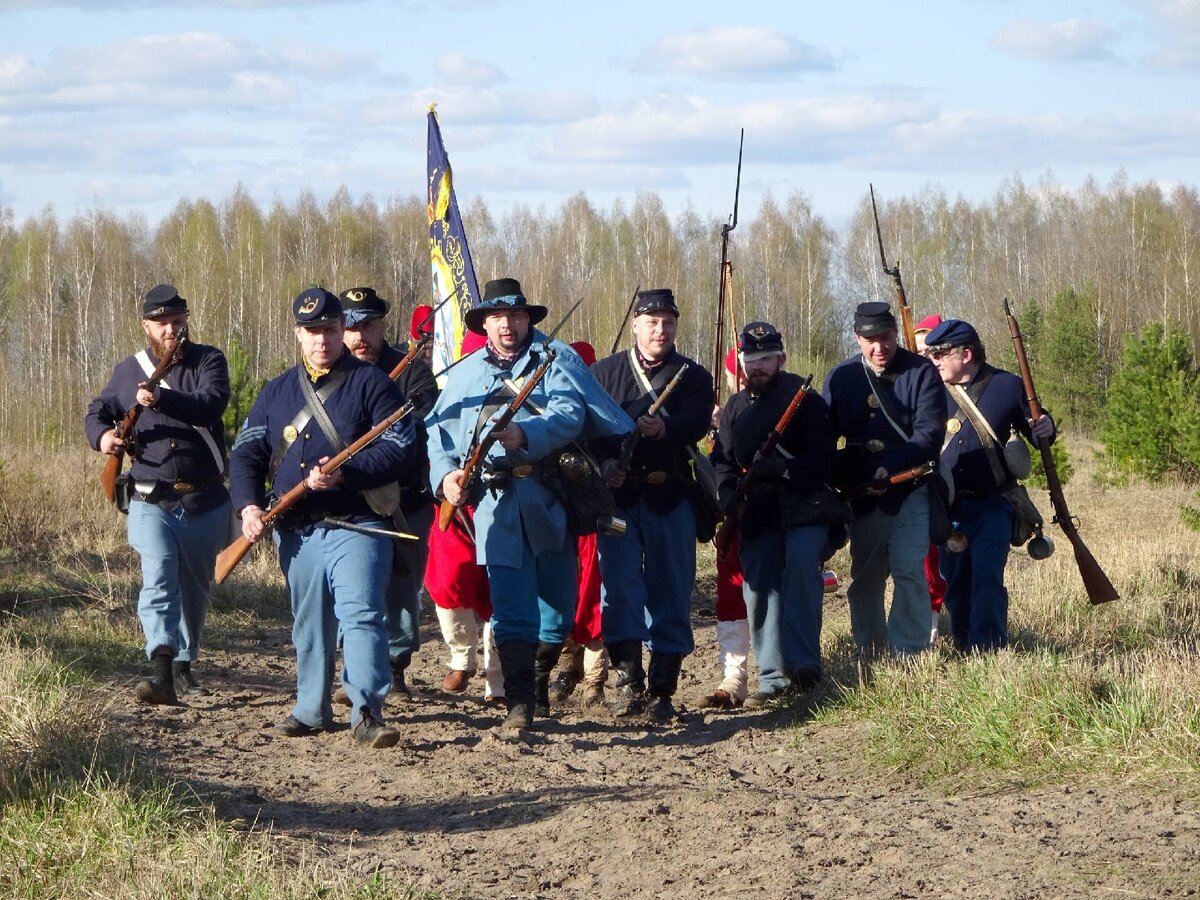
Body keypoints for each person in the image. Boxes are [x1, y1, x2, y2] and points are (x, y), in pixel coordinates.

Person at [425, 278, 631, 732]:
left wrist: (527, 436)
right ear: (485, 324)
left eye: (516, 316)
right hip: (496, 507)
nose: (507, 325)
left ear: (526, 321)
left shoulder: (553, 363)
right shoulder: (464, 374)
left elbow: (570, 414)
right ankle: (520, 701)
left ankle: (537, 684)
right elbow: (437, 436)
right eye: (497, 317)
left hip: (551, 499)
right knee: (512, 607)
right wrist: (446, 478)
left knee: (557, 610)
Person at [228, 288, 417, 749]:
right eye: (312, 332)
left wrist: (345, 473)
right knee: (309, 621)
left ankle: (367, 710)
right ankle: (311, 710)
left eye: (330, 330)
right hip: (298, 529)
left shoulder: (373, 384)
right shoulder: (276, 391)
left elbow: (400, 450)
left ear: (341, 331)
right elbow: (247, 452)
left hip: (358, 522)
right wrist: (249, 506)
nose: (322, 341)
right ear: (298, 334)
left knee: (362, 615)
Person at [85, 283, 232, 705]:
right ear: (146, 325)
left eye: (177, 320)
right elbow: (97, 412)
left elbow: (210, 404)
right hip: (150, 498)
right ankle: (161, 669)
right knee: (159, 575)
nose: (171, 329)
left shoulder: (209, 360)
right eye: (162, 322)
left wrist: (162, 400)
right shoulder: (127, 370)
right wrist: (103, 440)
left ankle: (184, 666)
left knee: (194, 590)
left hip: (204, 498)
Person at [591, 288, 713, 722]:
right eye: (653, 322)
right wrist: (606, 464)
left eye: (668, 322)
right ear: (636, 325)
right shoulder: (604, 373)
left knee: (672, 591)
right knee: (620, 591)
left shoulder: (693, 376)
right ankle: (628, 684)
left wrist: (665, 429)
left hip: (670, 497)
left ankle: (662, 689)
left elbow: (698, 421)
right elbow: (587, 430)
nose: (661, 330)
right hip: (620, 501)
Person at [711, 323, 839, 706]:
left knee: (801, 569)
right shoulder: (734, 408)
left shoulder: (806, 400)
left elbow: (825, 461)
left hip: (804, 506)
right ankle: (772, 677)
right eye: (751, 360)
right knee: (760, 588)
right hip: (758, 511)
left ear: (781, 359)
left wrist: (784, 470)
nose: (758, 367)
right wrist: (727, 492)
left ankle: (805, 666)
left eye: (766, 358)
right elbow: (722, 462)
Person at [824, 301, 947, 661]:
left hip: (910, 485)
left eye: (887, 338)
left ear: (896, 334)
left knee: (910, 570)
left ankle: (909, 651)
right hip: (862, 494)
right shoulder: (842, 376)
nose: (880, 348)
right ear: (857, 339)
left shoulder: (921, 371)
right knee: (866, 577)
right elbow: (825, 435)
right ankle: (871, 650)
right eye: (870, 340)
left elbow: (928, 434)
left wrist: (892, 466)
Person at [923, 318, 1055, 652]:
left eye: (940, 353)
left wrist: (1046, 428)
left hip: (993, 504)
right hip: (947, 507)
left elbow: (1037, 433)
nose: (933, 358)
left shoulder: (1008, 386)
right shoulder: (931, 390)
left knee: (987, 578)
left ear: (966, 354)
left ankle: (989, 649)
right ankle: (965, 643)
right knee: (955, 583)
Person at [338, 286, 438, 698]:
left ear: (382, 326)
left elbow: (423, 421)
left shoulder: (412, 370)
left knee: (401, 586)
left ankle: (395, 667)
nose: (360, 335)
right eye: (352, 326)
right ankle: (357, 671)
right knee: (353, 589)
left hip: (407, 497)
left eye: (369, 325)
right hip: (348, 500)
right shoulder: (333, 372)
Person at [549, 341, 609, 709]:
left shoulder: (602, 415)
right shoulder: (549, 409)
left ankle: (595, 680)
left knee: (594, 599)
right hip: (558, 516)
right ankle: (568, 666)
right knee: (562, 594)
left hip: (594, 517)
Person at [701, 346, 751, 709]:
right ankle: (734, 676)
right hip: (736, 514)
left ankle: (779, 671)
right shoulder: (723, 417)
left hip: (777, 510)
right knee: (731, 591)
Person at [913, 313, 949, 640]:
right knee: (927, 562)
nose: (926, 358)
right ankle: (930, 631)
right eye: (921, 352)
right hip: (930, 487)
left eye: (932, 352)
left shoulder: (962, 386)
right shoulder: (913, 389)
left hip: (966, 489)